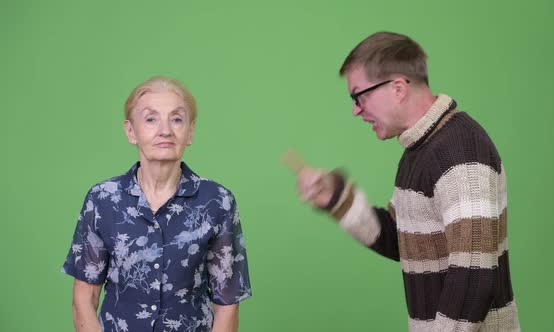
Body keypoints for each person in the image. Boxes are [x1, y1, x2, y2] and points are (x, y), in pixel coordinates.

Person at [296, 32, 520, 331]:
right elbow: (403, 239)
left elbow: (474, 277)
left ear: (398, 88)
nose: (356, 109)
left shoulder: (460, 150)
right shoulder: (420, 150)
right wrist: (335, 198)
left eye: (359, 95)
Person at [62, 76, 251, 332]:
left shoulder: (218, 201)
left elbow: (227, 304)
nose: (165, 130)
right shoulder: (102, 200)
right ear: (131, 131)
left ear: (190, 131)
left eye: (176, 119)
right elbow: (85, 297)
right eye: (151, 119)